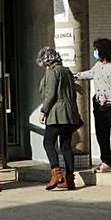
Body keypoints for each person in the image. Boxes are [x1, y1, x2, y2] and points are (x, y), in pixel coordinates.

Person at [75, 38, 111, 174]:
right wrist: (75, 76)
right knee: (102, 134)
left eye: (97, 49)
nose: (95, 52)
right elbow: (90, 73)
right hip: (99, 104)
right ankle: (106, 161)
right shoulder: (98, 64)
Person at [38, 47, 83, 191]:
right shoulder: (67, 71)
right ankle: (70, 179)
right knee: (66, 145)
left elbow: (50, 94)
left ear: (46, 61)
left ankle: (56, 173)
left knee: (48, 143)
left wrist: (44, 111)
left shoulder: (52, 72)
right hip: (70, 113)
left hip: (57, 113)